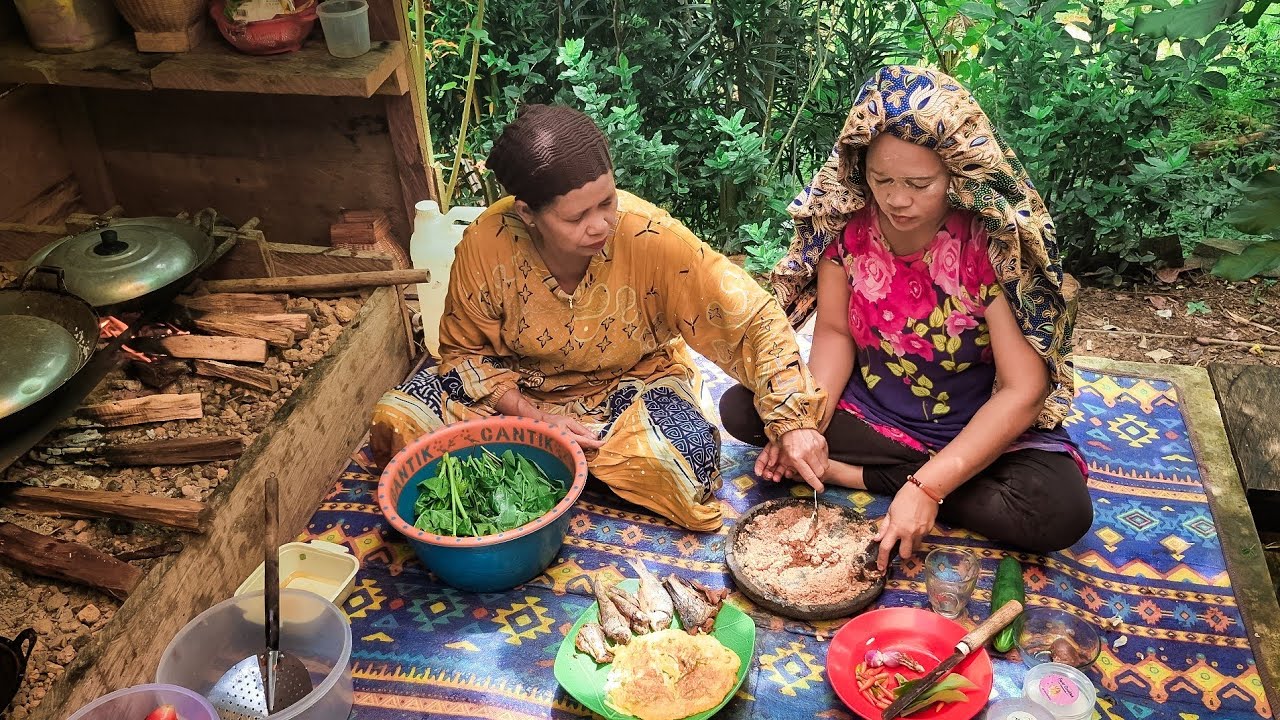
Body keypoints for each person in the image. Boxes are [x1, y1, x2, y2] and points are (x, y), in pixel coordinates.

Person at [370, 104, 828, 532]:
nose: (600, 226)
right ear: (528, 213)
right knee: (399, 420)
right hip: (513, 391)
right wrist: (532, 417)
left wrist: (794, 421)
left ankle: (539, 462)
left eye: (606, 202)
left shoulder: (649, 235)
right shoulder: (487, 244)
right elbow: (463, 353)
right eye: (576, 217)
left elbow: (750, 318)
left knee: (686, 460)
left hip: (629, 388)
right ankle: (561, 459)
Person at [720, 66, 1092, 567]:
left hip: (973, 420)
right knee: (746, 410)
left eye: (920, 184)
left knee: (1060, 511)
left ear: (957, 173)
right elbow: (833, 333)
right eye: (882, 179)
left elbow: (1022, 390)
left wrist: (928, 487)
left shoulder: (989, 243)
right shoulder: (848, 228)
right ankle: (899, 474)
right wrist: (807, 428)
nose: (897, 199)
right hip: (875, 409)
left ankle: (863, 476)